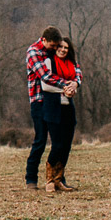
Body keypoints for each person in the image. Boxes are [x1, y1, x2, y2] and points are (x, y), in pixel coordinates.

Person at [24, 26, 79, 191]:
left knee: (59, 142)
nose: (56, 49)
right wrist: (66, 86)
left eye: (58, 46)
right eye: (53, 46)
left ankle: (58, 178)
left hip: (55, 101)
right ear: (44, 40)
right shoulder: (34, 52)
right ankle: (31, 179)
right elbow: (45, 76)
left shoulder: (53, 52)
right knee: (40, 140)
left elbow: (73, 68)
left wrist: (75, 83)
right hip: (39, 100)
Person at [45, 37, 81, 191]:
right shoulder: (49, 62)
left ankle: (59, 180)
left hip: (68, 108)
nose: (63, 50)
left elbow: (76, 81)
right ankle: (49, 180)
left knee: (66, 145)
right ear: (55, 48)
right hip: (53, 107)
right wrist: (64, 89)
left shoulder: (72, 65)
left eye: (66, 48)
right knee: (57, 144)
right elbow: (46, 85)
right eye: (60, 47)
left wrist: (74, 87)